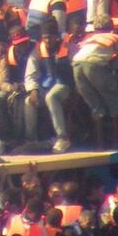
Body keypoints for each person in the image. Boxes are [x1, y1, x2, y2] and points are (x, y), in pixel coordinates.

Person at [24, 17, 73, 150]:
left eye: (50, 37)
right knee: (29, 101)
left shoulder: (68, 47)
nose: (47, 40)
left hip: (65, 85)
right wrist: (33, 90)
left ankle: (62, 138)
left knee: (51, 97)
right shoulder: (38, 50)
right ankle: (32, 140)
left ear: (56, 36)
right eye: (44, 37)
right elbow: (30, 74)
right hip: (45, 86)